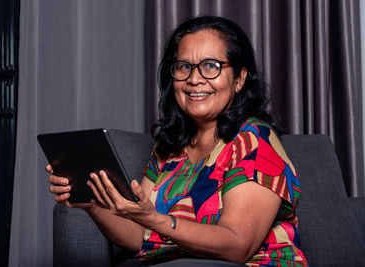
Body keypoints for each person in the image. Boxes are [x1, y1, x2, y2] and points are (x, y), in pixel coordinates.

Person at [48, 15, 308, 266]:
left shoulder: (254, 140)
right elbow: (139, 237)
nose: (194, 79)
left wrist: (156, 220)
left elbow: (238, 245)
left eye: (211, 66)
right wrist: (93, 205)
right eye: (184, 67)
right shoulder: (170, 146)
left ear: (239, 78)